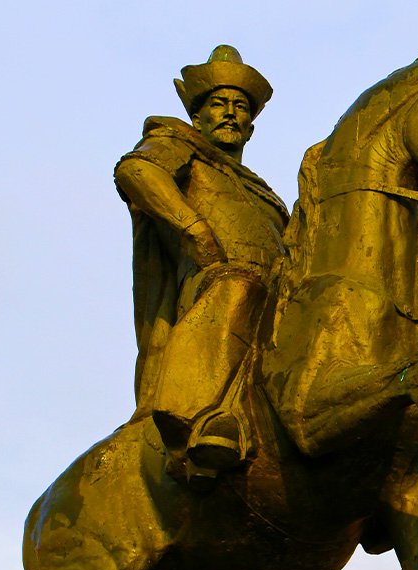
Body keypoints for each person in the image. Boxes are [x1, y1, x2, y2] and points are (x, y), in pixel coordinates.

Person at [114, 45, 289, 480]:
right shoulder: (177, 146)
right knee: (241, 285)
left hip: (276, 302)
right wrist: (194, 230)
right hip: (210, 293)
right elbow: (136, 172)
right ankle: (207, 419)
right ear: (198, 117)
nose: (230, 113)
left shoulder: (267, 196)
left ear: (250, 127)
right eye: (218, 104)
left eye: (240, 107)